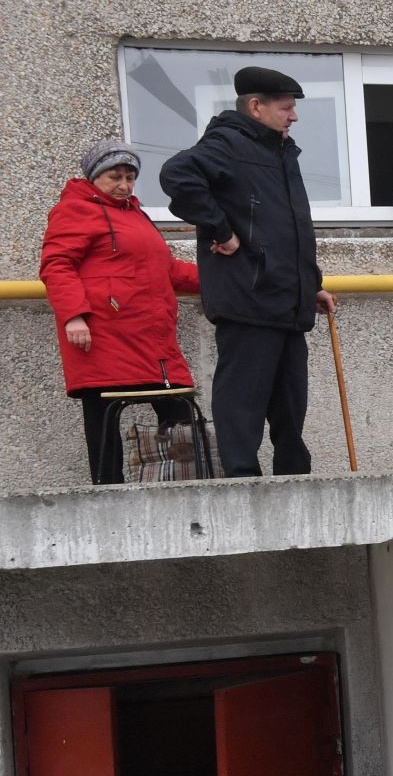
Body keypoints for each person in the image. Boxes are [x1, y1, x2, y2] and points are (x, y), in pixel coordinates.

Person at [160, 65, 333, 477]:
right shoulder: (229, 142)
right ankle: (241, 481)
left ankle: (295, 478)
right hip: (248, 296)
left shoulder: (279, 150)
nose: (293, 116)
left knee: (291, 402)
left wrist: (312, 284)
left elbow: (284, 227)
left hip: (286, 301)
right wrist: (222, 231)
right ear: (256, 107)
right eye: (286, 108)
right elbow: (177, 175)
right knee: (244, 400)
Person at [39, 140, 201, 484]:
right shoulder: (75, 210)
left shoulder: (135, 215)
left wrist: (222, 278)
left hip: (151, 337)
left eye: (130, 177)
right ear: (95, 177)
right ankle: (107, 491)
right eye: (115, 176)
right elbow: (57, 265)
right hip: (104, 336)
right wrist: (74, 315)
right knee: (103, 416)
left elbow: (167, 270)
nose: (124, 185)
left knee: (181, 414)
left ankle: (184, 487)